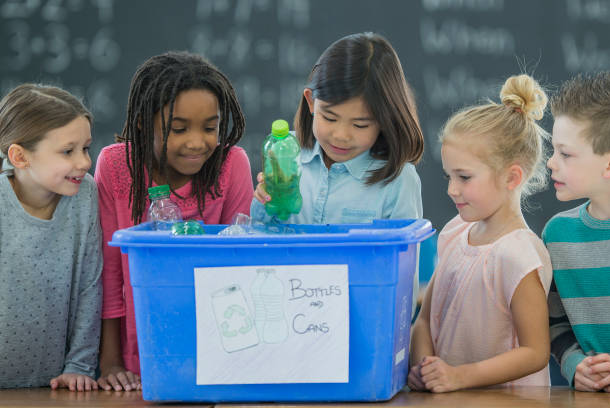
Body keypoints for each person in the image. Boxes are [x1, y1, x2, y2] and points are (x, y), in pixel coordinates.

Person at [95, 51, 254, 391]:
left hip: (221, 349)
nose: (197, 143)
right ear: (142, 123)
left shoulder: (231, 164)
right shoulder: (114, 166)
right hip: (138, 362)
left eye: (210, 128)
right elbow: (108, 271)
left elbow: (241, 264)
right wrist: (110, 362)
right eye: (178, 129)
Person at [251, 32, 424, 315]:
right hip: (284, 313)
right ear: (311, 103)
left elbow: (404, 285)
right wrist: (264, 205)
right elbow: (258, 243)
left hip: (361, 320)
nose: (341, 136)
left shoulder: (397, 180)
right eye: (329, 117)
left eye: (360, 125)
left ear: (384, 121)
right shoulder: (285, 153)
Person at [409, 74, 553, 392]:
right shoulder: (454, 233)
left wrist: (459, 376)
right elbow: (423, 322)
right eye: (449, 175)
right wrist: (425, 368)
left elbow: (535, 352)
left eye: (464, 177)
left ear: (511, 177)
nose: (451, 189)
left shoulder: (519, 255)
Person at [0, 84, 102, 391]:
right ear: (20, 157)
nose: (84, 162)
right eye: (67, 151)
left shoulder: (84, 193)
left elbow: (90, 284)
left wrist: (80, 366)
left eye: (85, 148)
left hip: (59, 385)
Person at [545, 72, 610, 392]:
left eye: (565, 153)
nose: (550, 163)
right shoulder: (558, 235)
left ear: (609, 165)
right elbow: (555, 324)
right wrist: (574, 366)